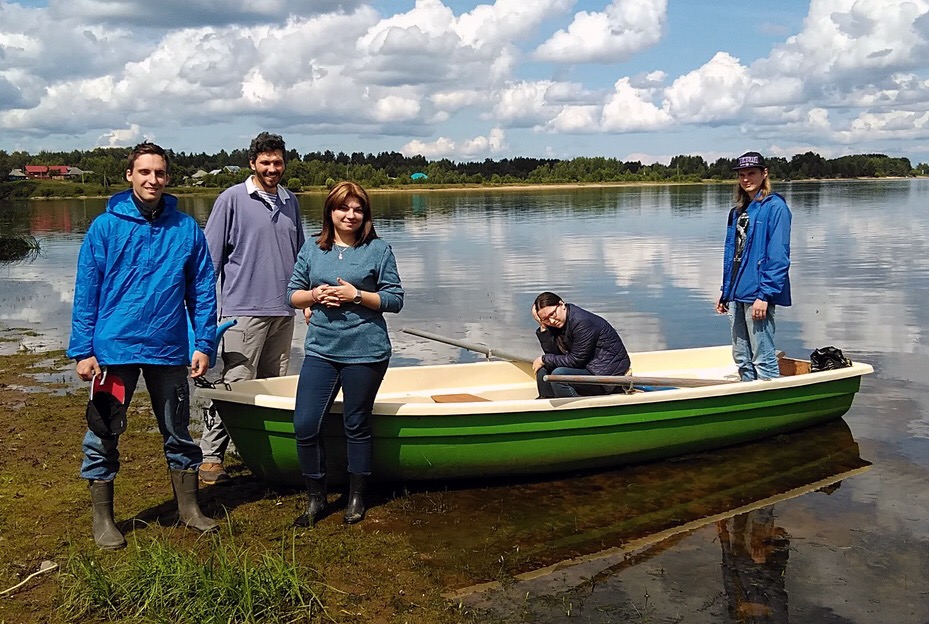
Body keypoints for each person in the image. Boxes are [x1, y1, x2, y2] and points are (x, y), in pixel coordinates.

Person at [67, 142, 218, 550]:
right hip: (112, 352)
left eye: (160, 173)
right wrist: (83, 350)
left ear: (168, 178)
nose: (153, 180)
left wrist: (204, 342)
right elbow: (86, 292)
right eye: (145, 172)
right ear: (130, 176)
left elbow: (203, 290)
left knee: (179, 431)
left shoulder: (185, 229)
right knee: (103, 431)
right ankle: (104, 519)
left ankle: (188, 509)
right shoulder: (105, 227)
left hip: (169, 349)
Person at [286, 181, 403, 526]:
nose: (351, 215)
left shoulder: (378, 250)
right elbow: (291, 295)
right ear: (330, 212)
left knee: (356, 423)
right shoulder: (312, 248)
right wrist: (314, 295)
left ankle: (355, 497)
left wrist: (357, 296)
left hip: (366, 350)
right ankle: (315, 499)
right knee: (305, 424)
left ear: (365, 214)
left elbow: (395, 300)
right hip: (322, 349)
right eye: (343, 208)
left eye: (358, 209)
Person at [197, 132, 305, 485]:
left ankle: (269, 454)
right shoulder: (231, 199)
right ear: (252, 164)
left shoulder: (290, 202)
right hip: (242, 312)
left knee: (275, 387)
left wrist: (306, 299)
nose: (272, 168)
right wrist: (204, 318)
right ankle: (210, 457)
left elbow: (302, 257)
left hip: (283, 311)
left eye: (277, 162)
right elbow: (209, 261)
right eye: (265, 162)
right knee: (235, 384)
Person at [715, 151, 792, 381]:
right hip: (736, 294)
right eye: (742, 174)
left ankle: (773, 405)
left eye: (752, 173)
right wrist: (725, 291)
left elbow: (778, 256)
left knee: (763, 356)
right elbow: (733, 255)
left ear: (764, 173)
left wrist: (765, 295)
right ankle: (749, 401)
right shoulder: (738, 211)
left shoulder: (775, 207)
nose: (746, 179)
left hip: (758, 294)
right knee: (741, 357)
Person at [531, 292, 631, 398]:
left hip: (607, 376)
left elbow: (576, 360)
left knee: (559, 375)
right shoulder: (559, 323)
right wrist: (544, 327)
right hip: (588, 368)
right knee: (542, 371)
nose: (551, 320)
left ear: (561, 304)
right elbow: (554, 354)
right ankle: (547, 406)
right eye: (545, 319)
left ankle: (576, 411)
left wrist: (544, 359)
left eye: (552, 314)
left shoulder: (582, 322)